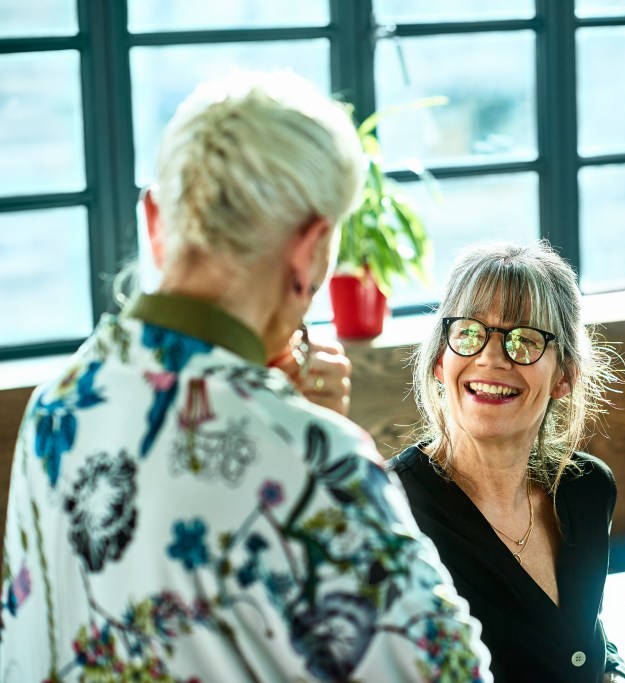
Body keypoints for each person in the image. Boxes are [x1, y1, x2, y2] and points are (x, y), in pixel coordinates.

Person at [0, 70, 491, 682]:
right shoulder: (313, 460)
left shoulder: (57, 407)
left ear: (153, 220)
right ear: (308, 251)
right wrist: (313, 440)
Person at [387, 240, 625, 682]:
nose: (490, 358)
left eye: (524, 340)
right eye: (468, 332)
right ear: (440, 360)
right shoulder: (391, 513)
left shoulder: (587, 489)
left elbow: (581, 642)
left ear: (565, 375)